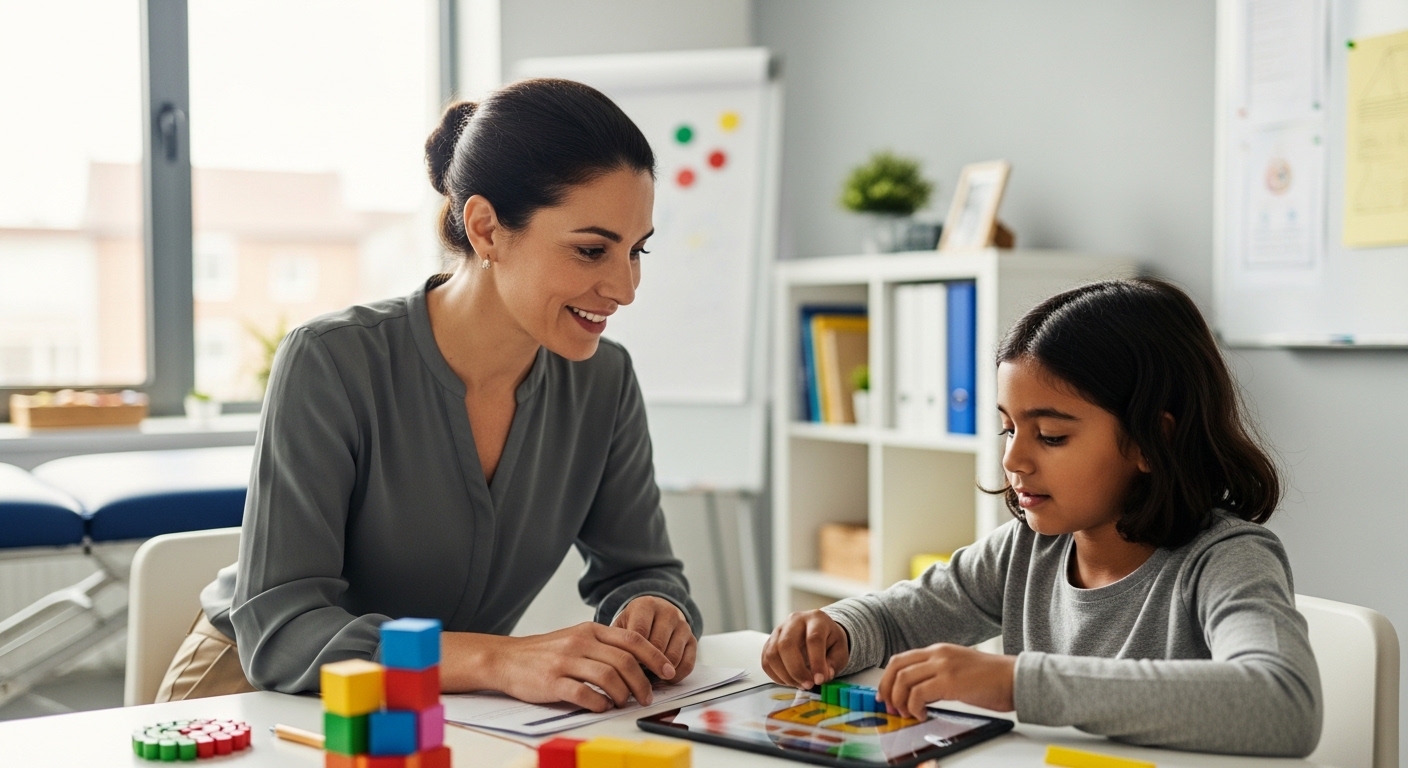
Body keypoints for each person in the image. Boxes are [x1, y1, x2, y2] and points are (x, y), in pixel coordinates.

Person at [157, 78, 703, 713]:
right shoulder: (332, 361)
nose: (626, 287)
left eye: (637, 251)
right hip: (254, 694)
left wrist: (653, 608)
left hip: (444, 704)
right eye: (591, 250)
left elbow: (641, 570)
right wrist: (499, 658)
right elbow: (281, 630)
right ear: (486, 229)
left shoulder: (603, 381)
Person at [761, 278, 1322, 756]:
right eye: (1009, 428)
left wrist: (1016, 682)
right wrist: (835, 629)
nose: (1013, 459)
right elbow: (896, 620)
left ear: (1154, 439)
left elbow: (1284, 701)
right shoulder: (1027, 550)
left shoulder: (1227, 560)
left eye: (1051, 435)